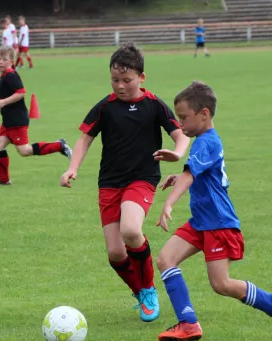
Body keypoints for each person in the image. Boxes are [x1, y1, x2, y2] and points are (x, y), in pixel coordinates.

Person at [153, 81, 272, 341]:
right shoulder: (205, 141)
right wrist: (178, 177)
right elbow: (199, 175)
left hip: (218, 223)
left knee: (221, 284)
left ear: (204, 114)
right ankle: (188, 324)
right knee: (166, 259)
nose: (180, 125)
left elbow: (191, 176)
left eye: (184, 118)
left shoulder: (205, 143)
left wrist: (169, 203)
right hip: (201, 221)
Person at [59, 42, 190, 323]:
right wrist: (72, 168)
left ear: (141, 78)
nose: (120, 86)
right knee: (116, 252)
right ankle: (141, 291)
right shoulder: (106, 107)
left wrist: (176, 153)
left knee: (131, 230)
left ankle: (149, 290)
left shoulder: (154, 105)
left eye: (127, 80)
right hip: (109, 182)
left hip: (142, 179)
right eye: (115, 80)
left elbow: (180, 134)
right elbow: (85, 138)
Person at [0, 45, 72, 187]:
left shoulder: (11, 75)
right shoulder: (4, 76)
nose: (0, 62)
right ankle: (4, 180)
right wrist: (0, 104)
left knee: (24, 151)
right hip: (8, 120)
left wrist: (2, 102)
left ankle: (59, 145)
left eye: (4, 59)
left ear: (11, 61)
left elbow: (21, 92)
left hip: (17, 120)